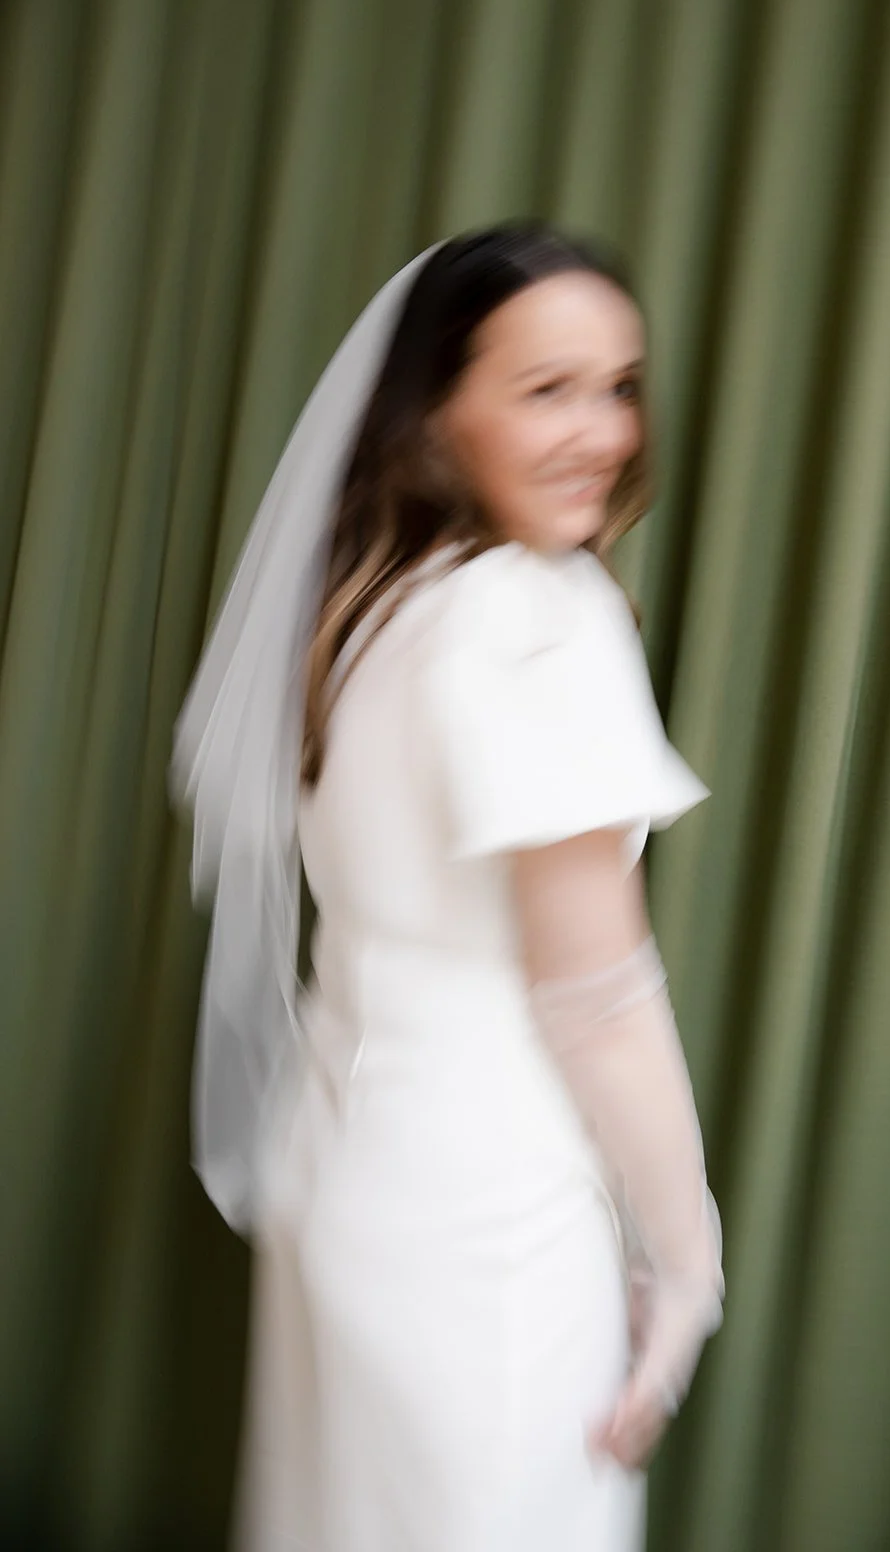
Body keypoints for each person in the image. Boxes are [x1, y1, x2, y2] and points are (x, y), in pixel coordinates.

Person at [171, 223, 724, 1551]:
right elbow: (593, 991)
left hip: (343, 1175)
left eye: (618, 385)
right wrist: (686, 1259)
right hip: (489, 1225)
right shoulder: (536, 618)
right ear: (435, 411)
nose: (601, 430)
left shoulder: (362, 611)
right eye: (546, 389)